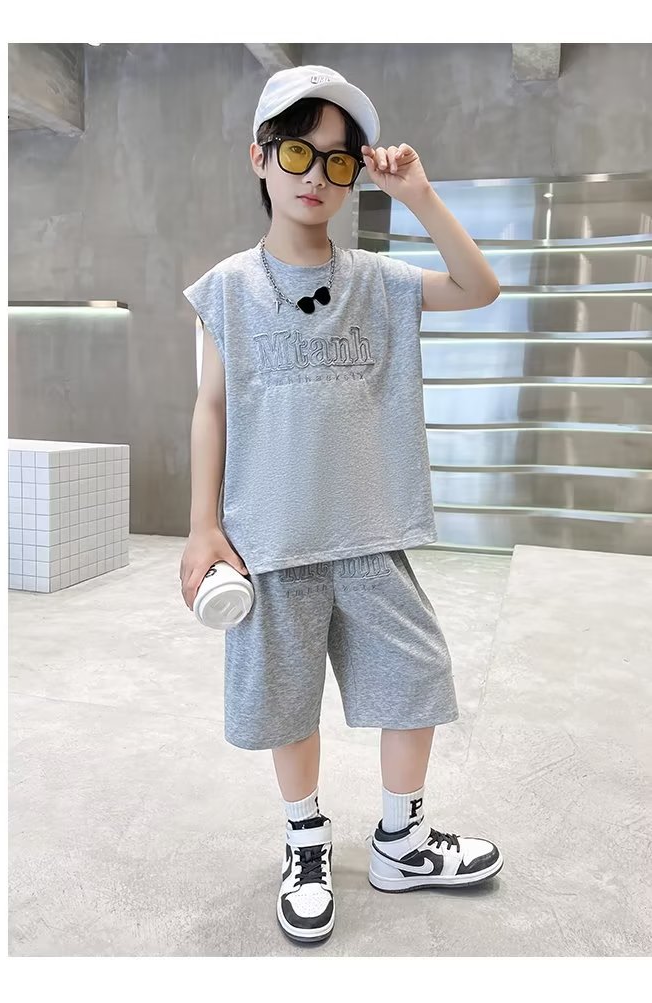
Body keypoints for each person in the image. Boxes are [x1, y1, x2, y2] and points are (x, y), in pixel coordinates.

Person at [179, 64, 503, 946]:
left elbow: (480, 286)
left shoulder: (380, 282)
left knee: (416, 678)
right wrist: (204, 527)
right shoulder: (226, 289)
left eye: (338, 160)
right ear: (259, 157)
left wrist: (420, 195)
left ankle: (402, 840)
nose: (316, 176)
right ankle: (306, 841)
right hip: (271, 540)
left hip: (367, 530)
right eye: (297, 152)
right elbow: (211, 408)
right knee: (287, 705)